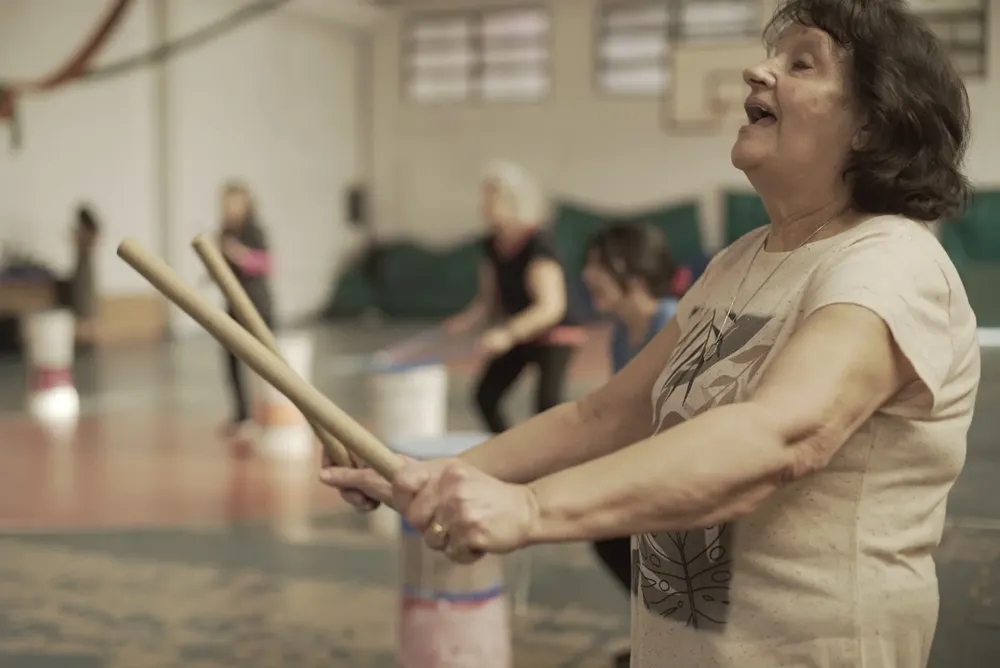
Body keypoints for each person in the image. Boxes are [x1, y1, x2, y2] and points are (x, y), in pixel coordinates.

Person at [321, 1, 980, 666]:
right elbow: (602, 414)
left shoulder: (890, 260)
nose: (758, 71)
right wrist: (434, 474)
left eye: (800, 63)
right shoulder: (739, 260)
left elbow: (781, 436)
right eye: (772, 56)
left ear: (872, 122)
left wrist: (529, 510)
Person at [581, 222, 678, 668]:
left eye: (598, 265)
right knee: (606, 534)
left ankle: (669, 638)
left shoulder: (671, 325)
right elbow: (617, 413)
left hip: (679, 471)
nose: (587, 275)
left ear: (632, 274)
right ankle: (658, 633)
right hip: (647, 466)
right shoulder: (623, 332)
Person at [444, 160, 581, 433]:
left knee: (547, 406)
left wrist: (507, 334)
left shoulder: (537, 244)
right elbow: (487, 300)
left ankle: (552, 462)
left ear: (512, 200)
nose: (483, 204)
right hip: (519, 333)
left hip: (554, 334)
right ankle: (508, 448)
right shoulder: (491, 244)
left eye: (490, 196)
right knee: (485, 396)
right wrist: (466, 321)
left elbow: (550, 307)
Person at [216, 181, 274, 439]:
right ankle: (242, 416)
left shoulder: (254, 231)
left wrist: (237, 254)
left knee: (263, 363)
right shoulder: (225, 231)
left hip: (256, 305)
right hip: (233, 305)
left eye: (234, 202)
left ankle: (268, 414)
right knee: (231, 362)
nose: (228, 208)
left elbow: (266, 264)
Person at [56, 205, 100, 347]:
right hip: (80, 268)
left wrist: (77, 236)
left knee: (85, 304)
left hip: (85, 269)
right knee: (80, 304)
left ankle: (86, 338)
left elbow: (86, 244)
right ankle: (83, 337)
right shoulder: (88, 231)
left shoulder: (90, 231)